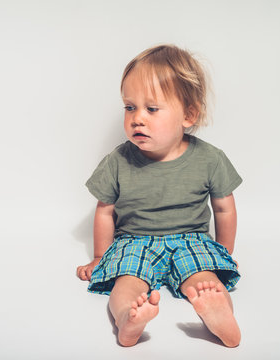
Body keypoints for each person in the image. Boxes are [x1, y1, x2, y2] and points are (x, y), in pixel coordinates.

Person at [76, 44, 243, 348]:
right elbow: (104, 210)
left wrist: (223, 253)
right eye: (130, 107)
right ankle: (128, 317)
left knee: (206, 283)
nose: (137, 118)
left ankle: (220, 317)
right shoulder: (118, 160)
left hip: (191, 239)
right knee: (126, 283)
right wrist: (100, 257)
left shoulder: (210, 159)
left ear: (188, 115)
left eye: (151, 109)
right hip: (134, 241)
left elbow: (224, 208)